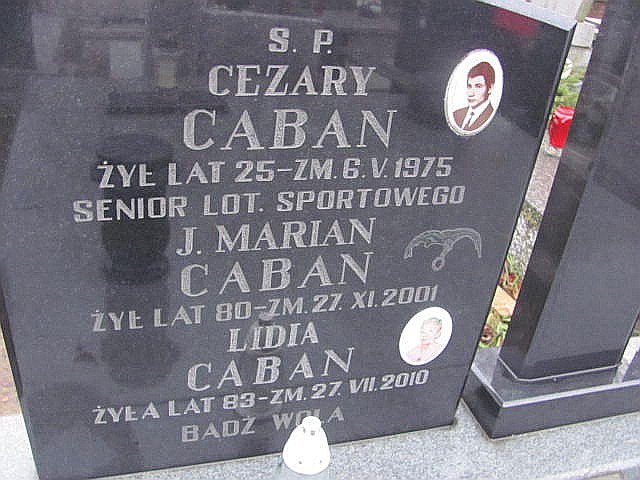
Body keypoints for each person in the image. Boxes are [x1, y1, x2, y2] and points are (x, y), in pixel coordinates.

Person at [453, 61, 496, 132]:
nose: (471, 93)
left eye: (478, 86)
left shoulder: (493, 118)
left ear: (490, 88)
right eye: (469, 86)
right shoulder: (456, 114)